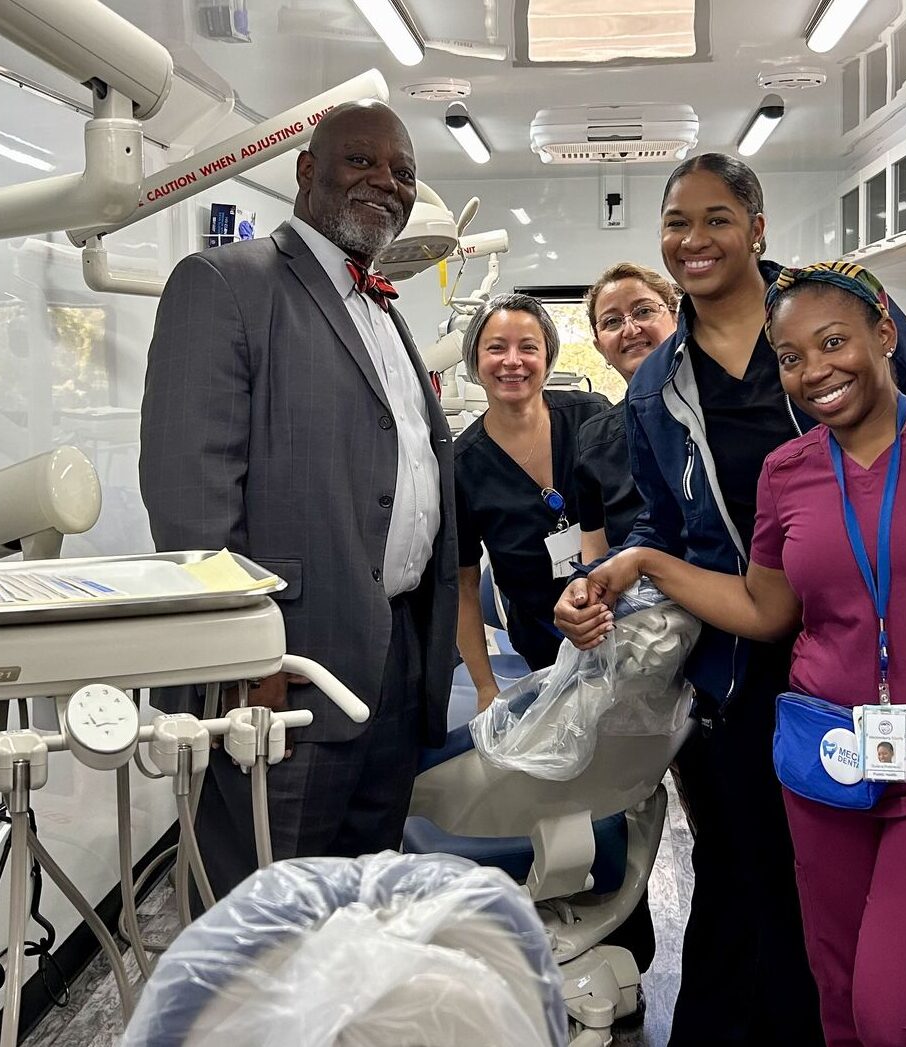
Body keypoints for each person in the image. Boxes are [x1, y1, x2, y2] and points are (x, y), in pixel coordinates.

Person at [582, 262, 906, 1047]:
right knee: (838, 997)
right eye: (791, 357)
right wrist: (642, 563)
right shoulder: (789, 472)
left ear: (886, 335)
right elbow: (763, 608)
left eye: (834, 342)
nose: (815, 370)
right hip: (828, 764)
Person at [557, 156, 906, 1047]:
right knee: (746, 871)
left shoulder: (831, 313)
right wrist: (617, 576)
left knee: (862, 874)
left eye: (717, 218)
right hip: (740, 656)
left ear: (758, 228)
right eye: (676, 222)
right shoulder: (657, 387)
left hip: (882, 641)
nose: (694, 240)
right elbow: (662, 517)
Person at [139, 100, 457, 903]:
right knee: (265, 916)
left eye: (403, 173)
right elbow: (190, 503)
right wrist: (244, 657)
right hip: (284, 672)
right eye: (362, 161)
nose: (386, 181)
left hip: (390, 663)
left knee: (355, 914)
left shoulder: (383, 309)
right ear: (306, 171)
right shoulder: (226, 284)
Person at [453, 293, 609, 711]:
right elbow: (465, 585)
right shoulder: (461, 465)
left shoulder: (591, 417)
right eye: (496, 348)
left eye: (528, 347)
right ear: (475, 359)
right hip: (542, 636)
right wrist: (485, 687)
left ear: (547, 356)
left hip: (618, 613)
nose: (512, 361)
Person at [574, 263, 680, 562]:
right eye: (611, 322)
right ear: (599, 345)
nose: (631, 329)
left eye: (644, 311)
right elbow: (595, 552)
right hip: (635, 602)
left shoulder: (717, 410)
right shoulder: (594, 439)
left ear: (676, 318)